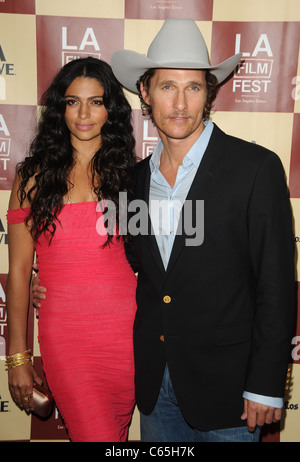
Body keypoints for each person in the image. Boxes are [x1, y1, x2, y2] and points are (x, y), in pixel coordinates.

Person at [33, 20, 295, 442]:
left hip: (228, 390)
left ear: (209, 94)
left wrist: (266, 383)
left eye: (192, 87)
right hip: (155, 386)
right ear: (145, 94)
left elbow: (276, 285)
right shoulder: (132, 181)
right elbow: (130, 262)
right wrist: (53, 279)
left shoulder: (254, 168)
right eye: (166, 87)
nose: (179, 103)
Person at [6, 57, 137, 442]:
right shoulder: (32, 177)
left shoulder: (131, 176)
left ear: (110, 109)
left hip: (127, 335)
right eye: (72, 101)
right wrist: (18, 357)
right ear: (59, 108)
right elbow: (17, 272)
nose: (84, 113)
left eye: (96, 102)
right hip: (68, 338)